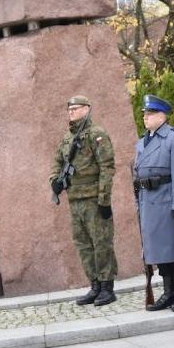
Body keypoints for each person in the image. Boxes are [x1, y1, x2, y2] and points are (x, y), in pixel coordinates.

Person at [50, 95, 118, 306]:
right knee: (83, 244)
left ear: (87, 109)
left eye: (76, 108)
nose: (71, 111)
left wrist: (104, 199)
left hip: (93, 199)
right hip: (75, 199)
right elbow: (57, 162)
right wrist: (54, 180)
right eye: (69, 108)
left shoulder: (96, 134)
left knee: (101, 243)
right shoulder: (67, 138)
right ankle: (95, 284)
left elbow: (107, 167)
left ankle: (107, 286)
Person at [134, 94, 174, 312]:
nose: (145, 118)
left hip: (168, 200)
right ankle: (168, 292)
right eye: (144, 114)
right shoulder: (142, 142)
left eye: (150, 114)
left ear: (162, 115)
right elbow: (137, 176)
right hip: (149, 202)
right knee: (160, 251)